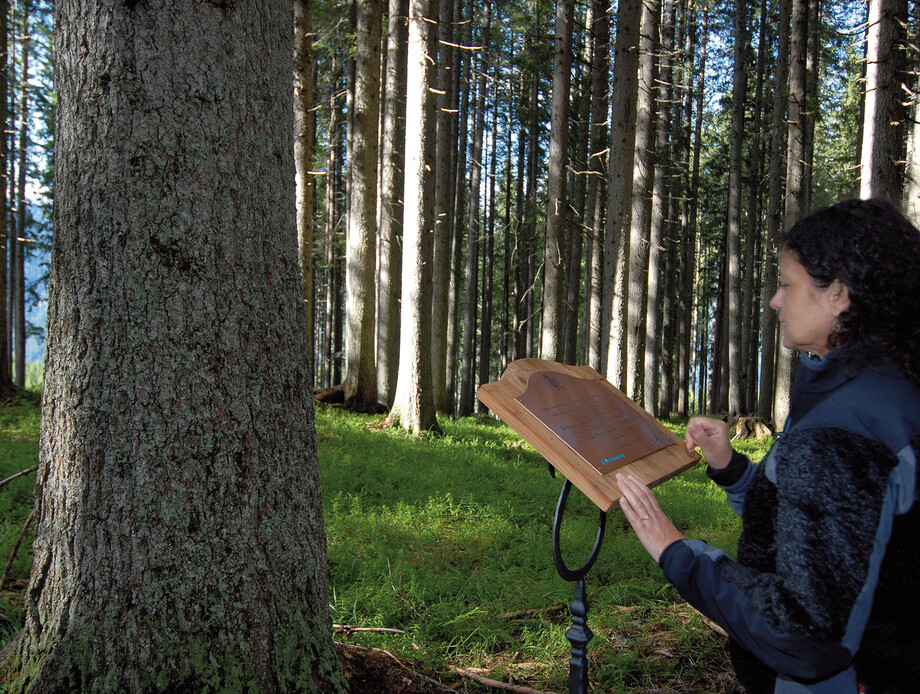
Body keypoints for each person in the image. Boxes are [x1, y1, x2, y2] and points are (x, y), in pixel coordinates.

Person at [616, 198, 920, 694]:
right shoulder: (875, 387)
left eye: (787, 284)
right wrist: (732, 468)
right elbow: (827, 522)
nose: (776, 301)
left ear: (839, 294)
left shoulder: (844, 428)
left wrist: (678, 552)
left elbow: (803, 634)